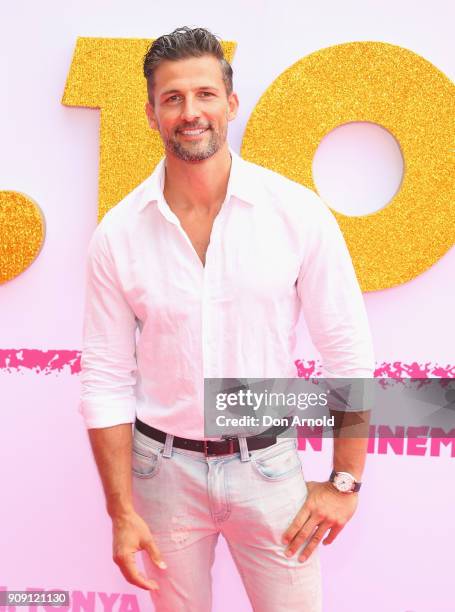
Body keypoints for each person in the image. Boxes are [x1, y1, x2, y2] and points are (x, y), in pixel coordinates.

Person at [79, 26, 375, 612]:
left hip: (268, 467)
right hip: (160, 475)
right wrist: (121, 510)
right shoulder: (118, 233)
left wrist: (345, 482)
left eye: (205, 94)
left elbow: (348, 353)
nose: (191, 112)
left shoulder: (295, 213)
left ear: (231, 103)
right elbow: (105, 379)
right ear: (151, 113)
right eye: (173, 98)